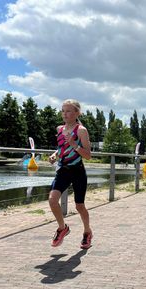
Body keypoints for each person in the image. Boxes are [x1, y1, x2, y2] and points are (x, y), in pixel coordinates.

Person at [48, 99, 93, 249]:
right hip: (63, 170)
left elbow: (88, 155)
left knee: (79, 206)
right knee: (52, 200)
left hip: (78, 171)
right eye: (63, 111)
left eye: (68, 111)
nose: (64, 114)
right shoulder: (60, 129)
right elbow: (61, 148)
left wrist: (75, 145)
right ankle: (62, 228)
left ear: (77, 113)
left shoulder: (81, 130)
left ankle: (87, 232)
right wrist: (55, 155)